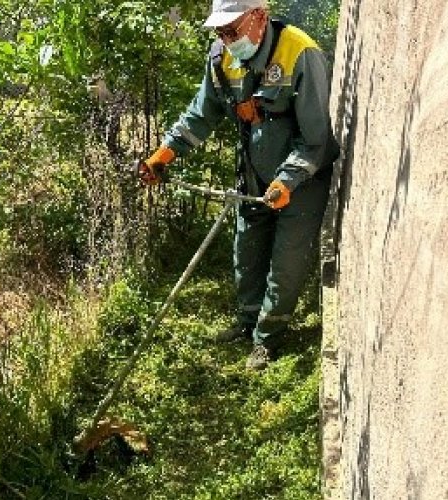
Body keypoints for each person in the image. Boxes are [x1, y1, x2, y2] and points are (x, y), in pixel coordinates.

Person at [138, 0, 339, 370]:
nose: (226, 39)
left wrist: (287, 180)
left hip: (302, 180)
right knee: (246, 253)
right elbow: (201, 114)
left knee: (286, 264)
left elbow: (316, 140)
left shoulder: (300, 53)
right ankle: (247, 324)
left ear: (259, 17)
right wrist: (163, 155)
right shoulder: (221, 57)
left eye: (232, 30)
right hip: (253, 175)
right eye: (219, 31)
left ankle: (268, 339)